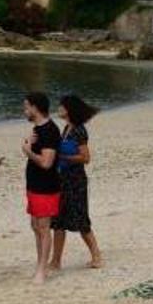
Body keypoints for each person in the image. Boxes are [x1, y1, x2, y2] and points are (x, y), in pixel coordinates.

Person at [49, 95, 104, 271]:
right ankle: (55, 260)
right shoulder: (66, 128)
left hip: (76, 181)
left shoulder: (78, 130)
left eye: (62, 106)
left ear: (69, 109)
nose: (59, 109)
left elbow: (85, 158)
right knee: (57, 221)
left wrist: (64, 157)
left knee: (81, 219)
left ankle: (96, 255)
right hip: (61, 179)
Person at [21, 92, 61, 284]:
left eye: (27, 106)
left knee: (44, 227)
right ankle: (40, 264)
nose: (24, 110)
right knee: (35, 226)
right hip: (34, 185)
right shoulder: (38, 128)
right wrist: (30, 146)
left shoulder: (50, 130)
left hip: (46, 186)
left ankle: (42, 270)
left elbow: (46, 163)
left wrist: (28, 152)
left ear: (35, 107)